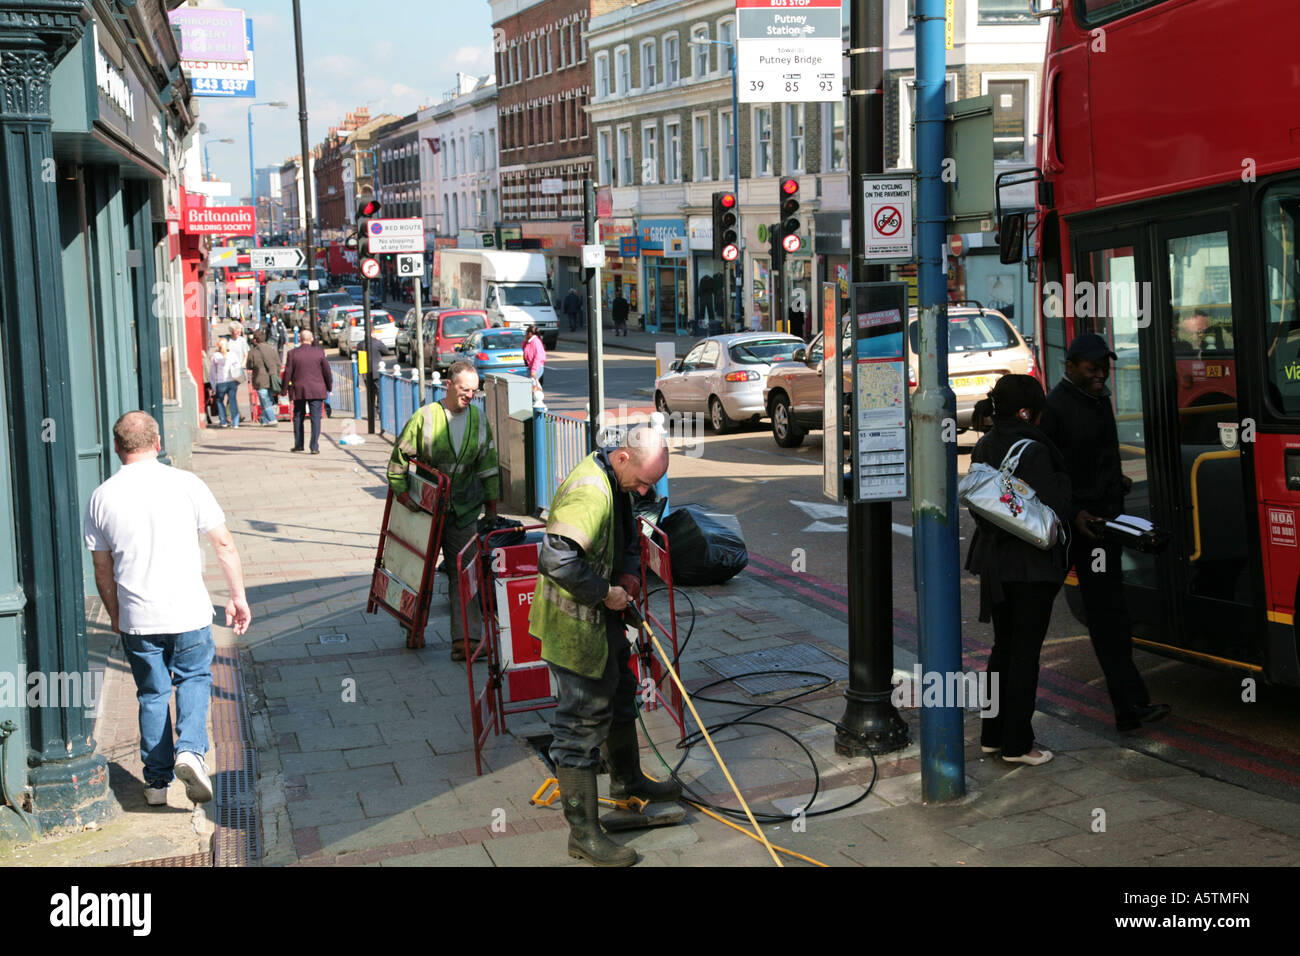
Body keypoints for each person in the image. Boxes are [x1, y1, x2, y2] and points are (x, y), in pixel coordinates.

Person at [83, 411, 251, 807]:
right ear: (158, 444)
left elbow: (101, 568)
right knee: (193, 679)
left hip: (139, 618)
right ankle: (190, 750)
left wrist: (115, 613)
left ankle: (157, 784)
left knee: (152, 694)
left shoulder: (101, 496)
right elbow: (223, 543)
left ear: (117, 447)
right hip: (189, 612)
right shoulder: (187, 484)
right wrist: (237, 596)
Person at [529, 425, 675, 866]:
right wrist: (605, 592)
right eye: (646, 481)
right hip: (574, 626)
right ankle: (584, 834)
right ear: (624, 457)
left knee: (620, 694)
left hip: (602, 618)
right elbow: (555, 558)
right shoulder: (592, 490)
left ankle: (628, 782)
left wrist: (629, 576)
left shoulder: (619, 481)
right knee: (578, 728)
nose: (647, 490)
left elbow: (629, 541)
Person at [1041, 333, 1171, 733]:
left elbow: (1095, 458)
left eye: (1104, 369)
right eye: (1092, 369)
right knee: (1040, 617)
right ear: (1071, 366)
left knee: (1111, 616)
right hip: (1075, 529)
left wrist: (1116, 482)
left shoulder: (1097, 400)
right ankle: (1006, 721)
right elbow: (1048, 474)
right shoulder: (1057, 408)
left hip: (1104, 525)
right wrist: (1075, 510)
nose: (1101, 376)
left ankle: (1130, 707)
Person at [965, 375, 1072, 766]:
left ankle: (992, 736)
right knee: (1025, 653)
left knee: (1003, 648)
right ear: (1027, 412)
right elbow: (1056, 505)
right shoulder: (1035, 450)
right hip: (1030, 566)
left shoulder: (983, 445)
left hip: (995, 563)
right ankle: (1018, 745)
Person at [387, 361, 499, 661]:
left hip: (463, 510)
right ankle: (412, 627)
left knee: (464, 574)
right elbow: (399, 457)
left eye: (474, 391)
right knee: (416, 573)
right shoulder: (425, 417)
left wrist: (491, 508)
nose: (470, 396)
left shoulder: (478, 419)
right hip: (425, 509)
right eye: (464, 390)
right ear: (448, 385)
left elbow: (488, 465)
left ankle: (467, 642)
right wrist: (401, 493)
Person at [282, 330, 333, 454]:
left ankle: (299, 444)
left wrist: (283, 389)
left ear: (299, 339)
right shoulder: (319, 352)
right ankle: (314, 446)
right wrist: (329, 386)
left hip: (299, 389)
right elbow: (327, 371)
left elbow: (288, 373)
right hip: (316, 389)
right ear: (311, 340)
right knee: (315, 418)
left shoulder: (292, 353)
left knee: (298, 417)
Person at [246, 329, 282, 427]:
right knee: (267, 399)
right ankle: (265, 420)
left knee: (265, 399)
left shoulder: (253, 352)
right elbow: (278, 364)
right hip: (272, 378)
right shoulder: (272, 349)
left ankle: (272, 419)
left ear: (255, 340)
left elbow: (249, 366)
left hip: (260, 379)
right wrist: (277, 375)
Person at [210, 338, 240, 428]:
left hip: (221, 382)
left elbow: (212, 372)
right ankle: (235, 423)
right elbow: (237, 366)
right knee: (232, 401)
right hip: (232, 381)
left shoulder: (215, 356)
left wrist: (213, 385)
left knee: (219, 400)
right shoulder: (232, 355)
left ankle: (223, 421)